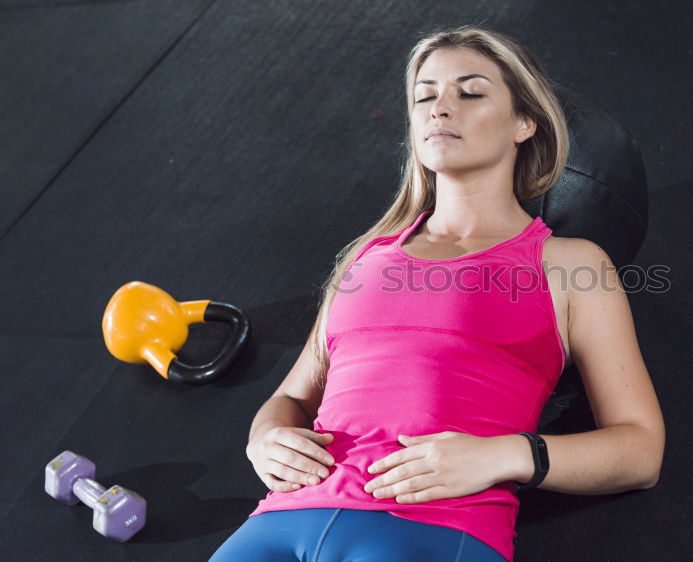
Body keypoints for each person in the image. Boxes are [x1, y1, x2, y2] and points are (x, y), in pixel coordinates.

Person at [210, 24, 664, 562]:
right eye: (424, 95)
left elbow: (640, 451)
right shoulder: (364, 257)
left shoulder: (570, 265)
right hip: (276, 524)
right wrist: (263, 437)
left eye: (469, 92)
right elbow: (293, 396)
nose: (438, 109)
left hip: (432, 529)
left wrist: (508, 456)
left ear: (524, 123)